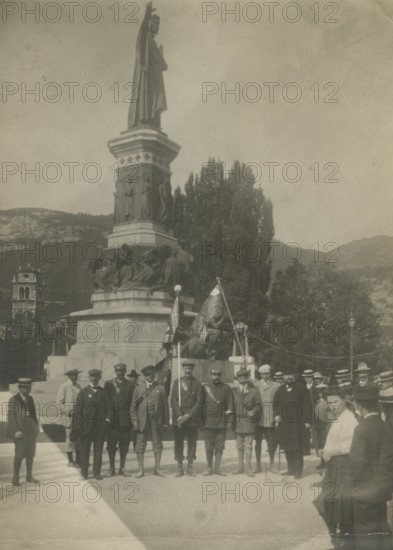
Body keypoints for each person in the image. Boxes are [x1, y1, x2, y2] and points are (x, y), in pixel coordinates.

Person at [348, 386, 392, 550]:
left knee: (366, 538)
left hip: (364, 493)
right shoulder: (385, 427)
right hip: (381, 492)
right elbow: (387, 462)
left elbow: (356, 465)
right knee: (381, 534)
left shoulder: (361, 429)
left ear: (359, 405)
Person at [314, 386, 358, 549]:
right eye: (329, 402)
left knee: (331, 504)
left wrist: (330, 453)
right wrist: (325, 453)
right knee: (326, 503)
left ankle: (341, 539)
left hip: (343, 465)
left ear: (344, 400)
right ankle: (337, 538)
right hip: (334, 464)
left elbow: (349, 447)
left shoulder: (349, 418)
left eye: (335, 402)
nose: (331, 405)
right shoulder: (337, 417)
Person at [130, 364, 169, 478]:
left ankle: (157, 468)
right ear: (144, 376)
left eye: (152, 374)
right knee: (140, 445)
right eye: (147, 375)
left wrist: (165, 422)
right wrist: (134, 421)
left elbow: (165, 407)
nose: (150, 377)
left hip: (156, 421)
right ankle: (141, 469)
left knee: (157, 444)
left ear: (155, 374)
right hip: (142, 421)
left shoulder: (160, 388)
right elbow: (132, 407)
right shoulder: (138, 389)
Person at [274, 365, 312, 479]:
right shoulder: (280, 389)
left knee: (297, 447)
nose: (288, 377)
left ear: (294, 376)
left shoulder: (301, 388)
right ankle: (290, 469)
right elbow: (276, 404)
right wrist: (276, 415)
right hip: (284, 423)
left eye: (290, 375)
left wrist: (307, 420)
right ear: (283, 377)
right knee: (287, 446)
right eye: (286, 375)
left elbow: (307, 405)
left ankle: (298, 471)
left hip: (298, 423)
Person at [73, 369, 108, 480]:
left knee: (98, 452)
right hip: (85, 428)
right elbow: (77, 412)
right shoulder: (83, 392)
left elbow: (109, 409)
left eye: (97, 376)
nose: (94, 378)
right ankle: (84, 473)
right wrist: (78, 427)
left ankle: (96, 473)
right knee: (85, 451)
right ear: (89, 377)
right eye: (92, 376)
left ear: (99, 377)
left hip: (99, 429)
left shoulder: (103, 392)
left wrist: (107, 421)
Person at [170, 360, 203, 477]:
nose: (188, 371)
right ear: (183, 369)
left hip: (192, 418)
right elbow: (173, 400)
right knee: (178, 442)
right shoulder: (177, 383)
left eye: (190, 369)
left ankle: (190, 466)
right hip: (179, 417)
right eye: (186, 368)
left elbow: (199, 402)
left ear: (192, 370)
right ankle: (179, 467)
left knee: (192, 442)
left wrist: (189, 415)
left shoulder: (197, 384)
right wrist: (179, 415)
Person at [104, 363, 135, 477]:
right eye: (118, 371)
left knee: (124, 445)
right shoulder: (109, 384)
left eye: (122, 371)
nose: (120, 373)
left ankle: (122, 467)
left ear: (125, 371)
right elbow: (106, 402)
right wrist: (107, 417)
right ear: (115, 371)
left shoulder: (130, 385)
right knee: (111, 446)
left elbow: (133, 403)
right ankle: (111, 467)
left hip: (125, 420)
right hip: (113, 421)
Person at [7, 378, 40, 486]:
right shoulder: (14, 399)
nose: (29, 389)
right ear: (20, 388)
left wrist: (36, 428)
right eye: (26, 387)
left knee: (31, 453)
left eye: (29, 387)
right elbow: (11, 417)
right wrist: (16, 430)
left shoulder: (30, 399)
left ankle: (29, 476)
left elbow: (33, 415)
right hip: (20, 432)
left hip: (30, 432)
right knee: (19, 454)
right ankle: (15, 477)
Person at [201, 366, 233, 476]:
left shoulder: (227, 388)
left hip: (221, 422)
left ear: (221, 376)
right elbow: (201, 405)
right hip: (208, 422)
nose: (216, 377)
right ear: (210, 375)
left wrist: (229, 421)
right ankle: (209, 468)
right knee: (209, 447)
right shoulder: (205, 388)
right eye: (214, 374)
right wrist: (201, 422)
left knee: (220, 447)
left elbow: (230, 405)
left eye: (218, 374)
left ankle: (217, 469)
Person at [231, 367, 263, 478]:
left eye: (244, 377)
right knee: (239, 446)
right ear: (237, 379)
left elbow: (259, 405)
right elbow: (231, 405)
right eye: (240, 377)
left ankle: (248, 468)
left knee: (248, 446)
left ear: (247, 378)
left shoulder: (254, 390)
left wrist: (252, 412)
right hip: (238, 421)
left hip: (249, 422)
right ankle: (240, 467)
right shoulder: (234, 391)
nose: (242, 379)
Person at [254, 364, 280, 473]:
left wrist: (277, 415)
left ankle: (272, 463)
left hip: (270, 417)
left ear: (270, 373)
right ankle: (258, 464)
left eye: (267, 373)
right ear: (260, 374)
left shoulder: (276, 385)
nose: (265, 375)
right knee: (257, 442)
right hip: (258, 418)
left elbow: (279, 402)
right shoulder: (255, 385)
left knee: (271, 442)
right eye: (263, 373)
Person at [56, 368, 82, 467]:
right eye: (72, 375)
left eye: (75, 374)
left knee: (79, 438)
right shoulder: (64, 387)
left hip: (78, 417)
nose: (74, 376)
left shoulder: (79, 387)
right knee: (69, 438)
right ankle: (70, 461)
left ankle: (79, 461)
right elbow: (58, 403)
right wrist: (68, 411)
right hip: (69, 417)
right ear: (68, 376)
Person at [302, 368, 316, 456]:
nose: (307, 379)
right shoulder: (303, 387)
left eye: (309, 377)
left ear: (312, 377)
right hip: (305, 410)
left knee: (313, 428)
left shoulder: (314, 388)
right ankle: (306, 449)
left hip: (313, 409)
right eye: (306, 377)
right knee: (305, 429)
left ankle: (315, 446)